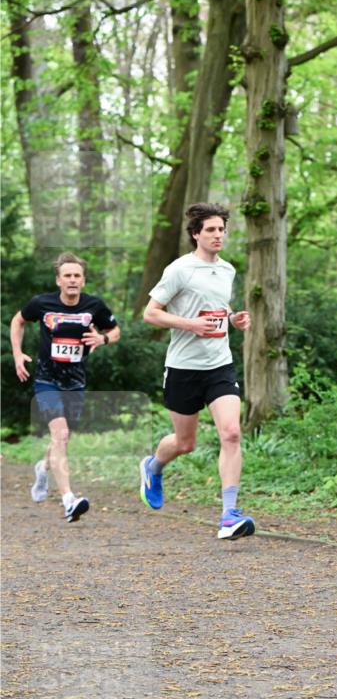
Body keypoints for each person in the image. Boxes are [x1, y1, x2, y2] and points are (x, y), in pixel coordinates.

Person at [141, 202, 254, 540]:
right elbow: (151, 313)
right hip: (183, 368)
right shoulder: (179, 269)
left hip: (219, 364)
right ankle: (153, 466)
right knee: (185, 443)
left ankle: (228, 514)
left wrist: (233, 319)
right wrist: (190, 324)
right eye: (211, 230)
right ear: (195, 234)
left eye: (222, 229)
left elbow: (218, 308)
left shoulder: (228, 270)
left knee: (231, 433)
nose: (218, 235)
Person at [10, 251, 120, 522]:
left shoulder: (94, 305)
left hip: (76, 382)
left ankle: (43, 467)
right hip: (47, 379)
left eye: (77, 276)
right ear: (58, 280)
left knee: (62, 437)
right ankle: (69, 499)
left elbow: (115, 331)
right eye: (67, 276)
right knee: (60, 436)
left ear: (83, 281)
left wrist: (102, 340)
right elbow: (18, 321)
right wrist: (17, 354)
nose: (72, 280)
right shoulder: (41, 303)